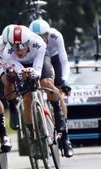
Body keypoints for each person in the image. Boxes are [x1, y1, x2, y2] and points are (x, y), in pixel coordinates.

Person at [3, 25, 73, 158]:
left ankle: (57, 110)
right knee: (27, 98)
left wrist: (34, 73)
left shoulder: (39, 43)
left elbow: (38, 71)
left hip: (38, 62)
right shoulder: (7, 53)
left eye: (22, 46)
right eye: (15, 46)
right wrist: (23, 72)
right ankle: (33, 138)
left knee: (47, 83)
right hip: (22, 66)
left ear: (28, 42)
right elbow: (18, 69)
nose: (19, 50)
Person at [29, 19, 73, 157]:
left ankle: (65, 137)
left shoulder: (56, 36)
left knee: (57, 91)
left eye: (44, 36)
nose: (41, 39)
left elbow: (64, 60)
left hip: (54, 58)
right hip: (36, 58)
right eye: (38, 37)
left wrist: (64, 80)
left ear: (48, 34)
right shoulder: (29, 40)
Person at [0, 24, 19, 130]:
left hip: (22, 58)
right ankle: (12, 107)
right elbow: (3, 62)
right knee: (6, 80)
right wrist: (9, 70)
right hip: (8, 63)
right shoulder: (0, 43)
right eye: (6, 43)